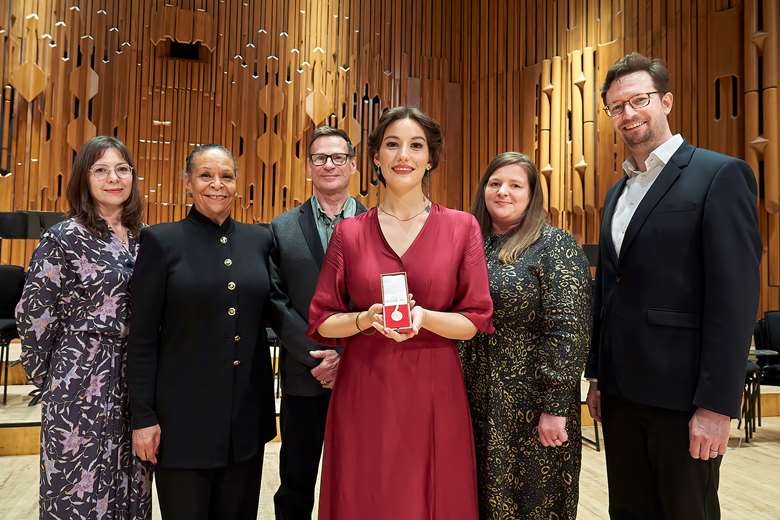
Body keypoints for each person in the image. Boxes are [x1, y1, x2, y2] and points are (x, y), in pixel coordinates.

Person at [586, 52, 761, 520]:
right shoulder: (616, 193)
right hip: (622, 394)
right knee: (628, 510)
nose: (628, 114)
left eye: (639, 100)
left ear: (665, 101)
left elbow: (735, 300)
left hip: (683, 398)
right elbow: (608, 292)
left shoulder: (718, 175)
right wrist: (599, 376)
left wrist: (716, 405)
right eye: (616, 107)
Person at [306, 106, 494, 519]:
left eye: (415, 146)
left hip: (434, 387)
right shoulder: (350, 232)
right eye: (392, 145)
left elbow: (475, 320)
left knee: (430, 494)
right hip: (365, 385)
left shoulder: (463, 228)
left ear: (430, 158)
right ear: (376, 158)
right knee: (365, 493)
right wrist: (364, 319)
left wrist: (424, 317)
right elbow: (322, 319)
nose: (403, 155)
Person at [127, 144, 276, 520]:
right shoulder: (161, 241)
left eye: (226, 176)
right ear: (187, 183)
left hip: (244, 421)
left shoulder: (259, 241)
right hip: (182, 424)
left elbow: (276, 311)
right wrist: (143, 417)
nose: (217, 185)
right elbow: (142, 337)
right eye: (206, 175)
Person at [15, 136, 151, 519]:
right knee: (77, 487)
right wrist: (56, 378)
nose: (114, 178)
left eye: (122, 169)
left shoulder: (146, 238)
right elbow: (34, 315)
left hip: (135, 379)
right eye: (101, 169)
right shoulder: (63, 238)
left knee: (130, 483)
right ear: (84, 178)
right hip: (79, 380)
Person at [459, 152, 592, 519]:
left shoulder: (554, 246)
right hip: (475, 398)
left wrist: (556, 407)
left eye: (515, 185)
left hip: (531, 405)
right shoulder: (472, 243)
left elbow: (569, 330)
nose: (503, 192)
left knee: (532, 501)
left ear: (532, 195)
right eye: (495, 183)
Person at [270, 126, 366, 519]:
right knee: (296, 480)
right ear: (308, 166)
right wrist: (319, 357)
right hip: (304, 374)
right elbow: (275, 302)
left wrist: (346, 356)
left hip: (366, 373)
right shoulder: (282, 227)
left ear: (354, 165)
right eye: (320, 158)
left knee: (361, 477)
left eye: (338, 157)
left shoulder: (381, 223)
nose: (329, 164)